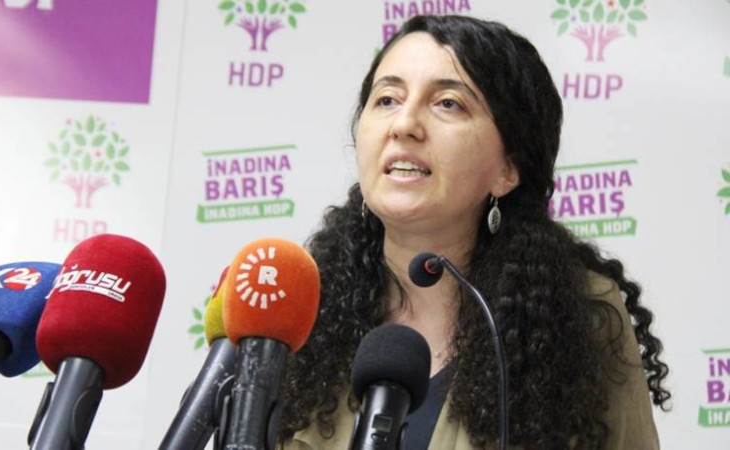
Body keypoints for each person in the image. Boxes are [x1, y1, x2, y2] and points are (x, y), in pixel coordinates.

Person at [278, 14, 670, 450]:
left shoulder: (582, 315)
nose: (404, 125)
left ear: (508, 169)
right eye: (387, 99)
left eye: (448, 103)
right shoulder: (293, 310)